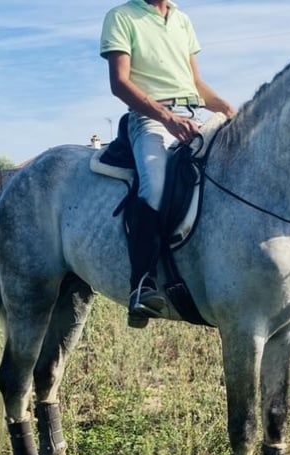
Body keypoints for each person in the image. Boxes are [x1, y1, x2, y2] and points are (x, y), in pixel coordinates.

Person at [100, 0, 236, 328]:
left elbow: (196, 84)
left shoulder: (182, 19)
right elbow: (120, 83)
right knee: (156, 185)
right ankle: (142, 285)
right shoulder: (121, 16)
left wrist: (228, 110)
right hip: (150, 118)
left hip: (193, 114)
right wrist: (167, 118)